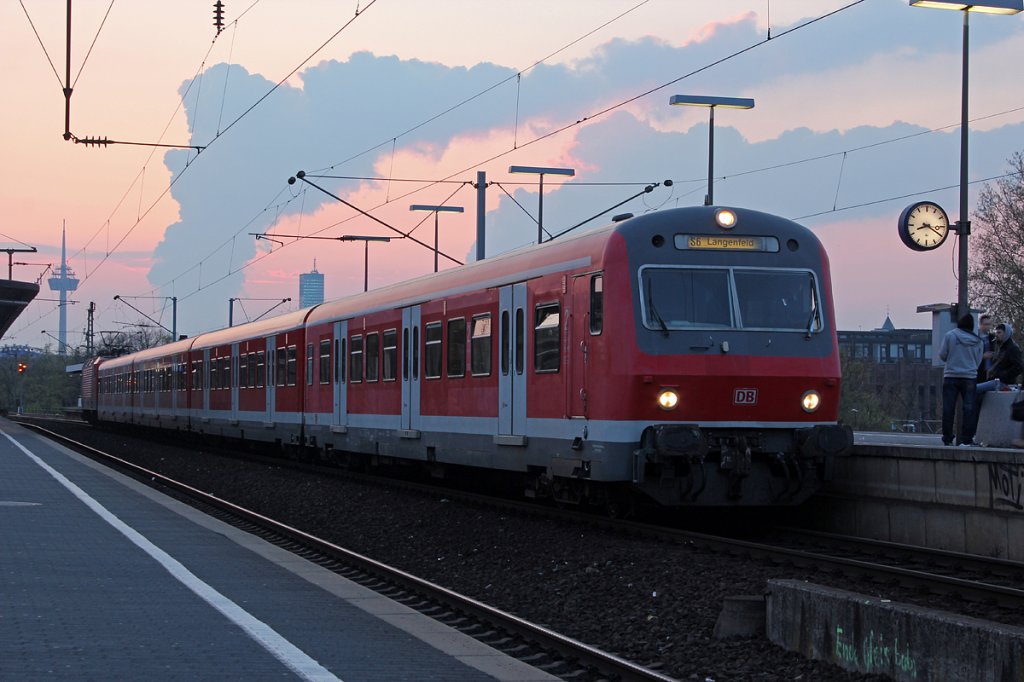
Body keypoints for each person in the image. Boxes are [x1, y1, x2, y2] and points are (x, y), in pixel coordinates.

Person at [938, 314, 984, 446]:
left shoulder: (950, 335)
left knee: (948, 408)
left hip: (950, 376)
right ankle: (967, 439)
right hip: (969, 377)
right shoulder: (978, 341)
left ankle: (947, 438)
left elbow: (942, 355)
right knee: (969, 409)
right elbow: (978, 360)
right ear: (971, 326)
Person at [977, 323, 1024, 394]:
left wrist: (1003, 375)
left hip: (1002, 383)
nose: (996, 335)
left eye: (999, 332)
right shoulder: (1002, 348)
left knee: (974, 389)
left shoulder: (1013, 348)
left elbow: (1019, 367)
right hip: (996, 380)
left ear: (1006, 334)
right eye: (996, 332)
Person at [977, 314, 995, 383]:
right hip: (979, 369)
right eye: (986, 324)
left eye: (989, 324)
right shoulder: (976, 337)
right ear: (980, 324)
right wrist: (982, 356)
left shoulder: (992, 337)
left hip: (990, 370)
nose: (988, 327)